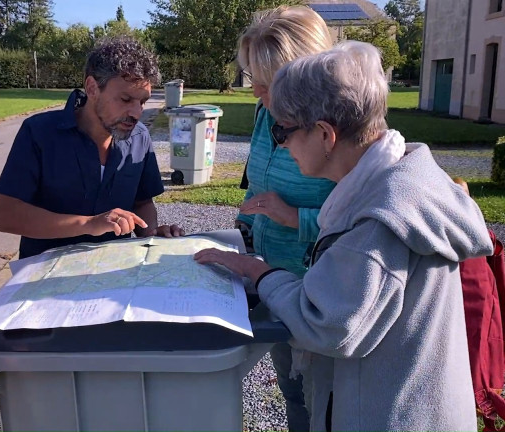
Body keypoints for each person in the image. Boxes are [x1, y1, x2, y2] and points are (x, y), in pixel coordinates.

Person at [195, 41, 492, 431]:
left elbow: (327, 325)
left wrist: (256, 271)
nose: (279, 143)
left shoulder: (379, 221)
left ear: (324, 135)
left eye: (282, 130)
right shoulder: (401, 176)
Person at [234, 6, 335, 431]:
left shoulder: (339, 125)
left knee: (324, 402)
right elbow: (259, 182)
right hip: (276, 278)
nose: (256, 91)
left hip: (322, 290)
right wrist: (244, 233)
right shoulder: (265, 114)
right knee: (294, 391)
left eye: (265, 82)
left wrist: (296, 217)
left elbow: (365, 219)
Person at [0, 36, 181, 259]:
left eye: (142, 101)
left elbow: (142, 203)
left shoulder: (139, 137)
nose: (137, 113)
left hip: (113, 273)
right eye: (125, 99)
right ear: (92, 88)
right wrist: (88, 224)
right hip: (45, 278)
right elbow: (7, 216)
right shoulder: (39, 133)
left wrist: (150, 235)